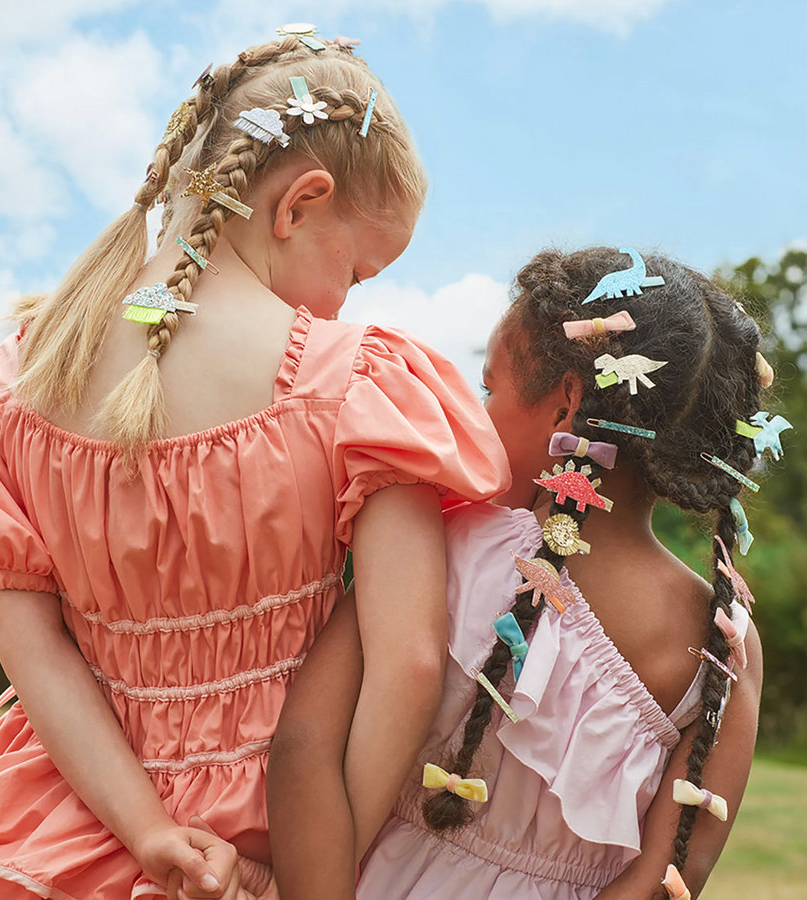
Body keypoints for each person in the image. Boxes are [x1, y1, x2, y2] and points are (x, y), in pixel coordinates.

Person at [0, 31, 510, 900]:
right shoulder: (357, 383)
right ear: (299, 204)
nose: (348, 298)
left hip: (66, 826)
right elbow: (408, 662)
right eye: (357, 270)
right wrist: (319, 873)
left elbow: (31, 648)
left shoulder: (13, 385)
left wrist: (148, 833)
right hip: (280, 830)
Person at [269, 247, 767, 900]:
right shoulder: (723, 644)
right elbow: (669, 878)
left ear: (567, 407)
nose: (478, 413)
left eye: (490, 389)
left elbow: (304, 745)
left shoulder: (448, 546)